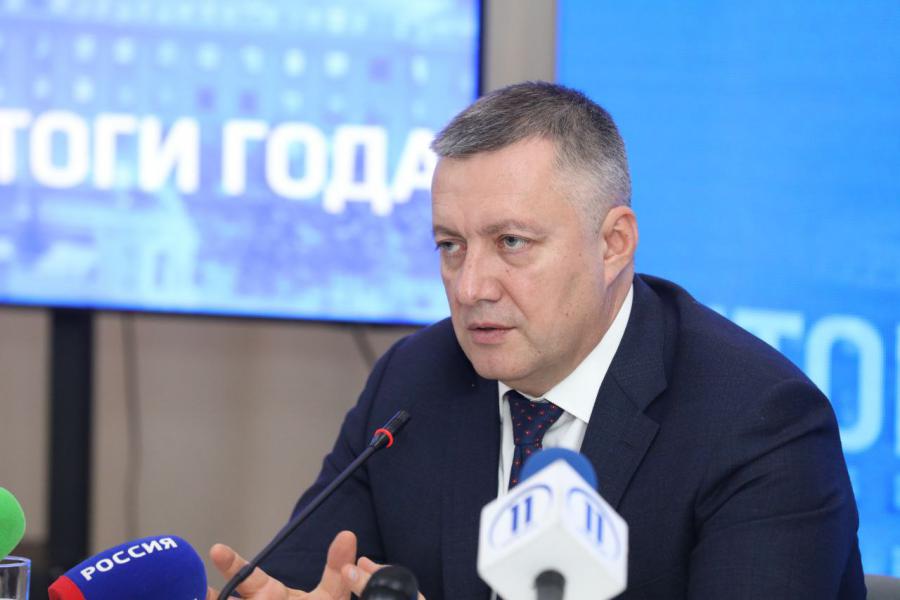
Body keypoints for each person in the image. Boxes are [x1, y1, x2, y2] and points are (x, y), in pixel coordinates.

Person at [206, 82, 865, 599]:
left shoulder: (757, 422)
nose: (470, 287)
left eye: (512, 242)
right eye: (450, 246)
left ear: (614, 244)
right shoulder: (414, 382)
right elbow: (312, 575)